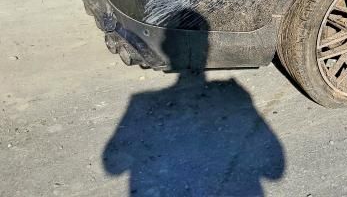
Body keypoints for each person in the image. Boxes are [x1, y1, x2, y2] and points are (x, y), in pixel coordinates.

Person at [103, 10, 285, 196]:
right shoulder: (235, 93)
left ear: (167, 47)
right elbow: (275, 170)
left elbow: (113, 166)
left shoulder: (141, 104)